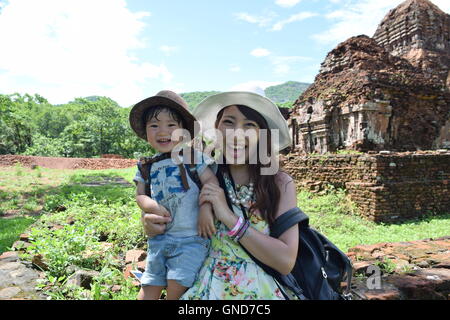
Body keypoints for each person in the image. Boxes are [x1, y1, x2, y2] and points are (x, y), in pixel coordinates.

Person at [141, 91, 299, 299]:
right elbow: (166, 214)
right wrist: (150, 224)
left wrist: (228, 217)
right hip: (204, 288)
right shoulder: (200, 175)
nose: (237, 134)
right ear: (217, 130)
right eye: (229, 122)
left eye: (249, 125)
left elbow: (285, 261)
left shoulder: (279, 183)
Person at [129, 90, 219, 300]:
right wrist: (151, 207)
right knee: (150, 283)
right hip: (159, 240)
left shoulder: (193, 158)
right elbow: (140, 195)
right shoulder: (146, 165)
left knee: (177, 287)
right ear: (146, 131)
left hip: (190, 239)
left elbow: (211, 183)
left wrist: (206, 208)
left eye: (171, 125)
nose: (163, 131)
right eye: (154, 125)